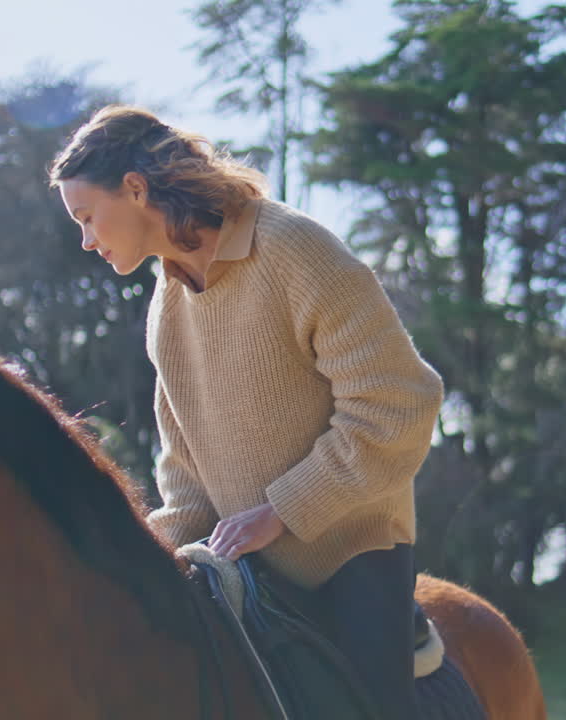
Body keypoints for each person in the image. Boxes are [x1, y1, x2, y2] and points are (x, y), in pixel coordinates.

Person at [49, 105, 443, 720]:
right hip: (243, 564)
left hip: (353, 551)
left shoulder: (293, 248)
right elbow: (184, 464)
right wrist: (141, 559)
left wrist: (282, 510)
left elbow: (399, 403)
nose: (86, 239)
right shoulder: (165, 301)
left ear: (134, 188)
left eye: (87, 216)